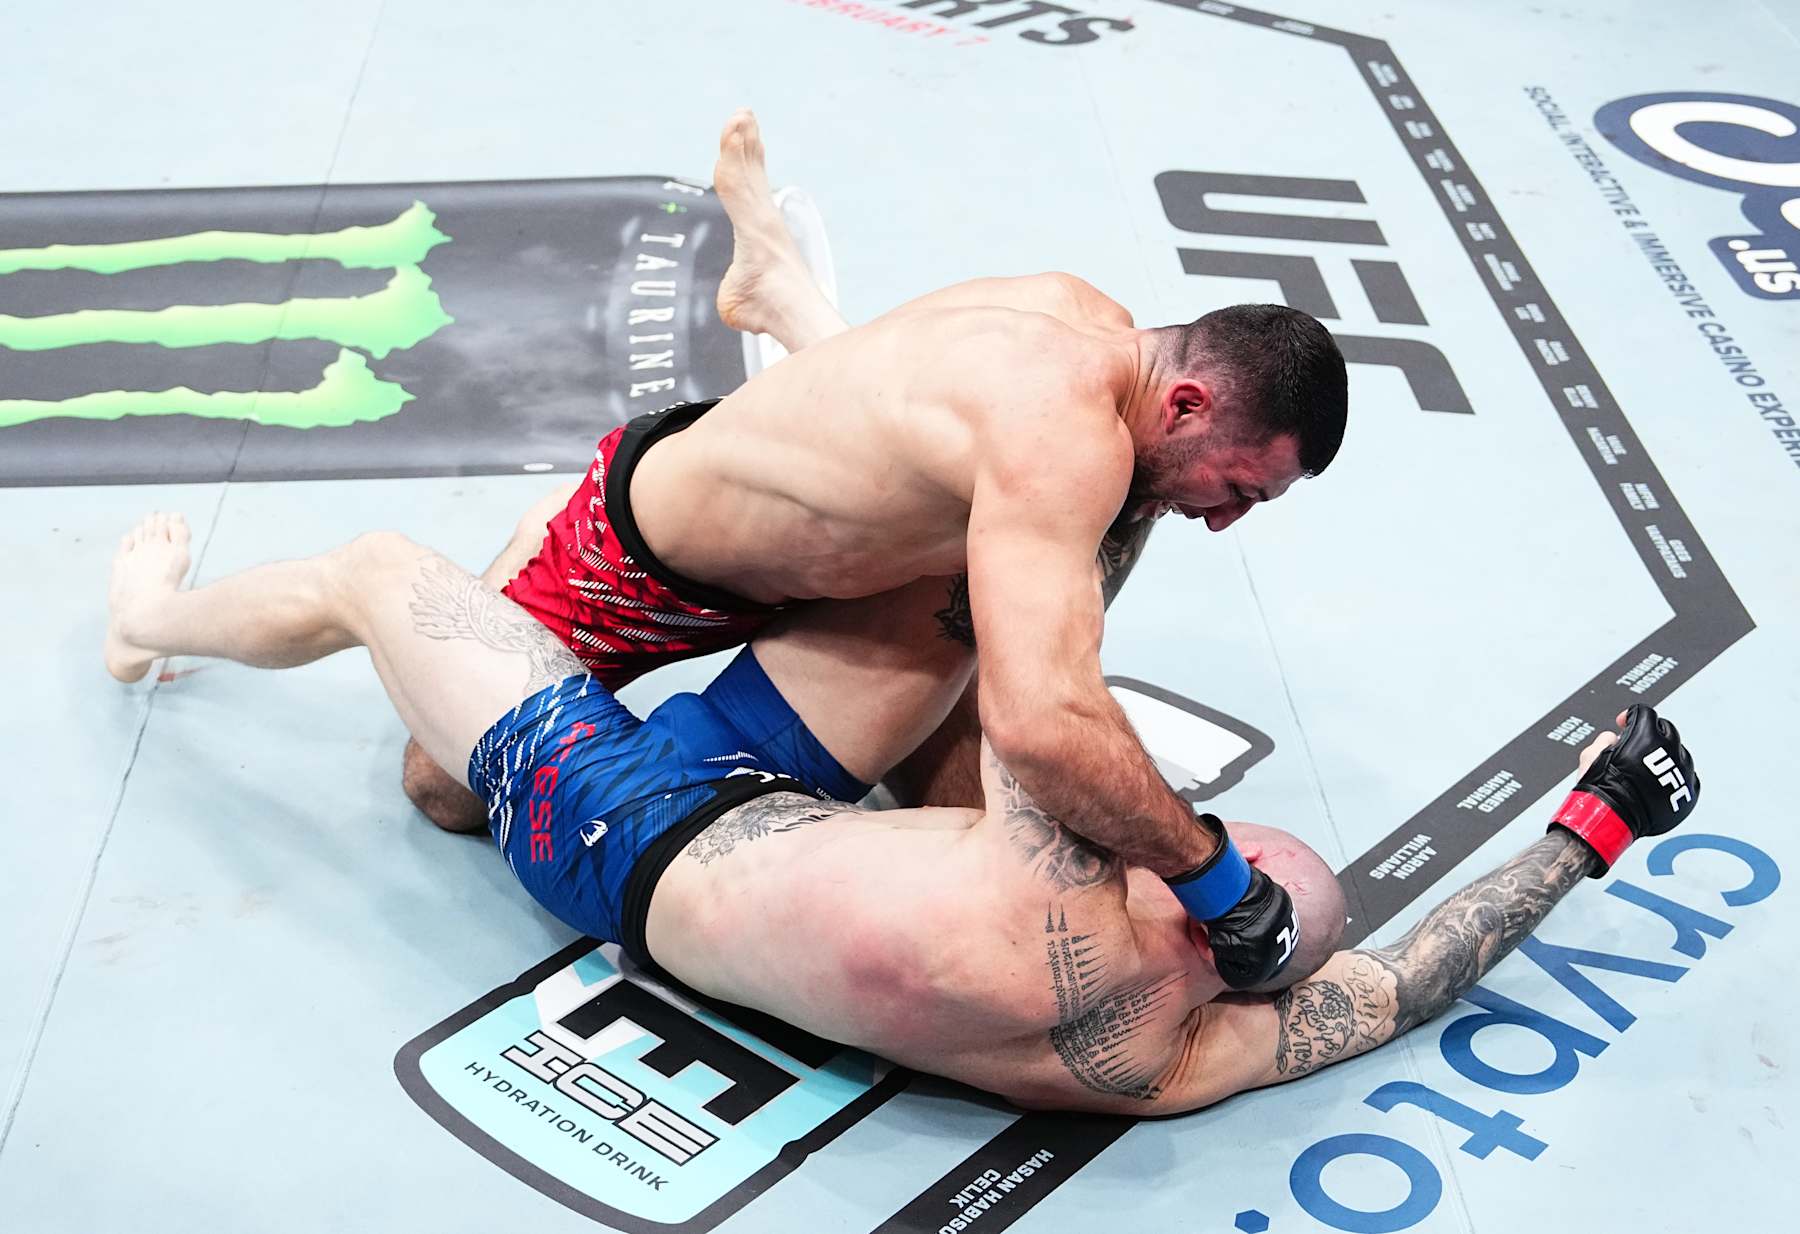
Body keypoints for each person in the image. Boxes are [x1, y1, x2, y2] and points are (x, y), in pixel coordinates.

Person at [100, 510, 1697, 1112]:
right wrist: (1595, 826)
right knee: (915, 586)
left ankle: (146, 625)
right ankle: (802, 332)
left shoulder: (1070, 885)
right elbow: (1415, 981)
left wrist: (1112, 484)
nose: (1201, 827)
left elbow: (1039, 663)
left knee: (382, 574)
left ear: (1203, 905)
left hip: (621, 829)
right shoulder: (1172, 1055)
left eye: (1214, 847)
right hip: (768, 812)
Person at [397, 109, 1352, 987]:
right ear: (1187, 404)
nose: (1226, 523)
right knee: (445, 788)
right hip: (653, 556)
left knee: (1031, 591)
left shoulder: (1098, 346)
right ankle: (528, 555)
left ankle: (786, 297)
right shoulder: (1064, 438)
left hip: (846, 555)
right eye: (1236, 490)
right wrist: (1217, 877)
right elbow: (1044, 725)